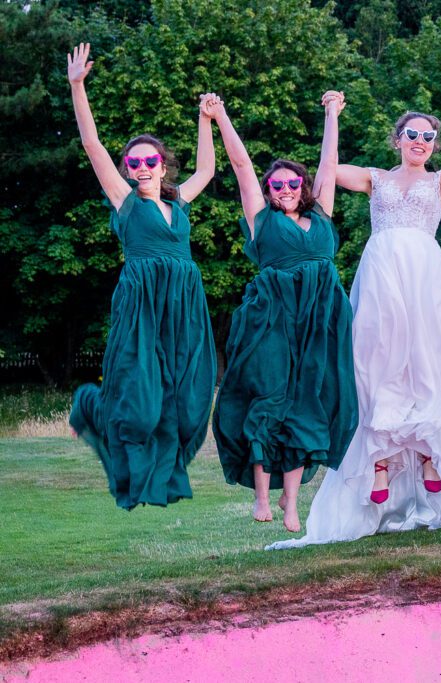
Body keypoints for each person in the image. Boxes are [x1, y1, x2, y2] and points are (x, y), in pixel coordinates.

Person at [267, 97, 441, 549]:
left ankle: (425, 457)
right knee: (376, 365)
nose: (420, 141)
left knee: (424, 365)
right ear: (398, 139)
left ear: (434, 144)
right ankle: (380, 460)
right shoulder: (374, 178)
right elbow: (324, 174)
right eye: (413, 134)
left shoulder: (440, 182)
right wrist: (331, 117)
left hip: (426, 279)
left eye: (428, 136)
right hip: (382, 276)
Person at [66, 43, 218, 510]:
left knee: (189, 398)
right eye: (135, 163)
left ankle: (165, 467)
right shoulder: (124, 200)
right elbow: (92, 145)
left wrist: (205, 120)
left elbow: (208, 168)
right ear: (128, 170)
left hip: (185, 303)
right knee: (141, 397)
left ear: (163, 166)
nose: (143, 168)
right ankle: (90, 405)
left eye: (151, 161)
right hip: (143, 304)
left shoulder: (179, 201)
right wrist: (77, 86)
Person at [210, 91, 359, 533]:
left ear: (304, 188)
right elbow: (240, 166)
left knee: (307, 403)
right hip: (271, 318)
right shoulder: (261, 219)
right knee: (269, 396)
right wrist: (220, 116)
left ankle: (292, 503)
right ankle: (262, 497)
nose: (287, 190)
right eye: (278, 185)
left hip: (320, 320)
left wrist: (332, 114)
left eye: (294, 184)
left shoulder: (323, 217)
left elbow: (329, 163)